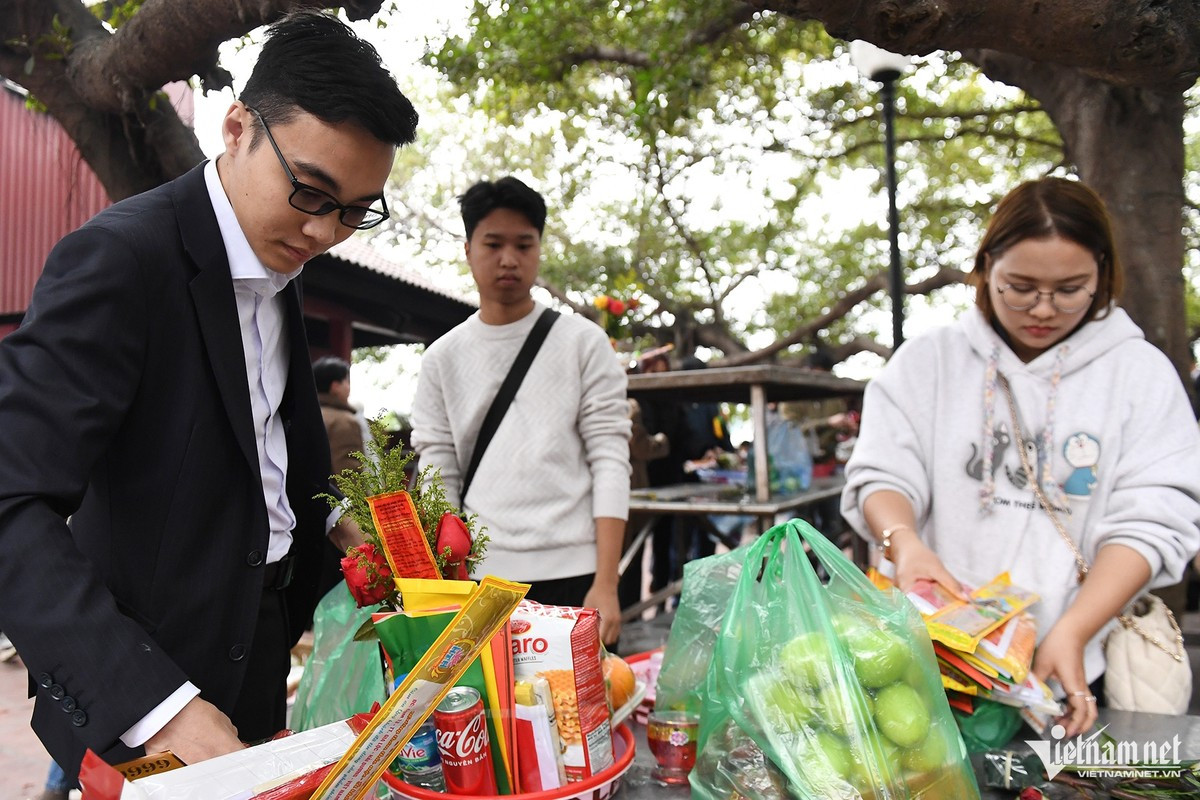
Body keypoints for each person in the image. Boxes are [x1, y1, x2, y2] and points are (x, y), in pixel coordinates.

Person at [0, 11, 418, 779]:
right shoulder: (123, 260)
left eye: (356, 211)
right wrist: (156, 704)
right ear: (235, 127)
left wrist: (336, 524)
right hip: (143, 687)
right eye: (313, 192)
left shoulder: (280, 258)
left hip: (254, 656)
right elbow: (8, 500)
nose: (326, 233)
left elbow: (255, 443)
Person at [841, 177, 1200, 738]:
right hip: (926, 668)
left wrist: (1075, 630)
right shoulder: (929, 362)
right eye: (1020, 286)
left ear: (1102, 273)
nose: (1043, 308)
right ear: (985, 268)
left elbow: (1155, 519)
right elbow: (884, 473)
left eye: (1069, 288)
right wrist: (903, 544)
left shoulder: (1139, 374)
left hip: (1071, 668)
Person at [409, 176, 631, 644]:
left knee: (582, 716)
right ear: (469, 249)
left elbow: (610, 458)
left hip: (579, 573)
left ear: (539, 250)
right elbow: (437, 469)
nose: (509, 259)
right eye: (493, 244)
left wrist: (607, 584)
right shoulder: (442, 358)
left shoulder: (583, 343)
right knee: (489, 716)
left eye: (524, 245)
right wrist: (449, 581)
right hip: (482, 580)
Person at [312, 355, 371, 597]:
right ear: (336, 386)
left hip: (310, 515)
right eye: (347, 382)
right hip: (337, 520)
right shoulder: (345, 422)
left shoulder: (308, 416)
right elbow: (350, 476)